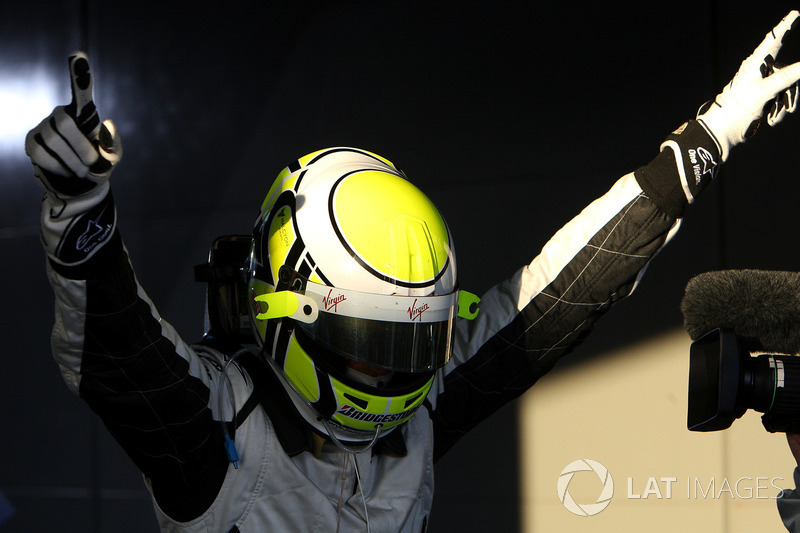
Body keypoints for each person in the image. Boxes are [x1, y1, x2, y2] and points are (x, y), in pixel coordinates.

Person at [25, 11, 800, 533]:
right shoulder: (219, 432)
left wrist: (710, 137)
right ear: (290, 308)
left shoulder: (419, 403)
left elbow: (561, 295)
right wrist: (79, 207)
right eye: (370, 342)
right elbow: (118, 353)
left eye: (413, 343)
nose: (393, 376)